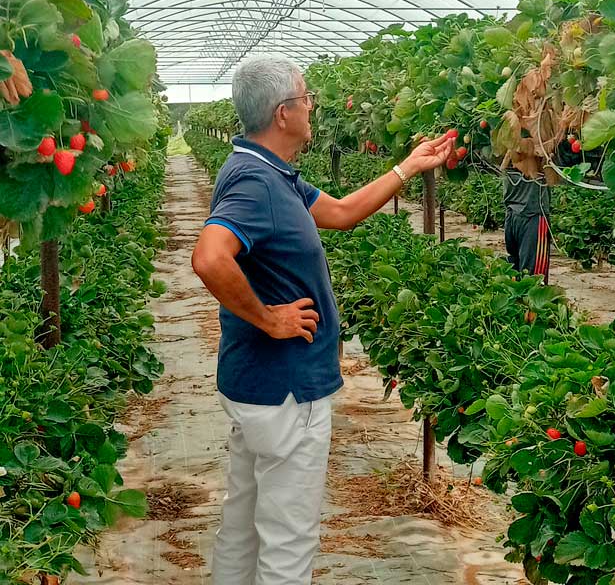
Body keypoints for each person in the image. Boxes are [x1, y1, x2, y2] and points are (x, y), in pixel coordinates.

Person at [190, 55, 455, 585]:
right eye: (308, 98)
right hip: (286, 391)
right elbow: (208, 256)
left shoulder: (271, 173)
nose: (314, 107)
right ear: (283, 112)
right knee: (289, 542)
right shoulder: (256, 183)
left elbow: (339, 214)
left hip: (258, 386)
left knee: (242, 527)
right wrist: (267, 317)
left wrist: (408, 166)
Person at [503, 166, 552, 279]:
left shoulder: (542, 151)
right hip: (519, 213)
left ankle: (526, 296)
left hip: (526, 213)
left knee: (529, 274)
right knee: (523, 274)